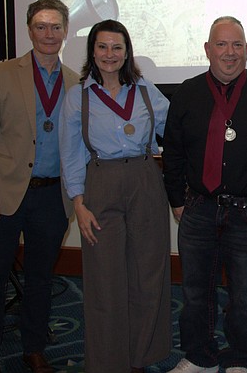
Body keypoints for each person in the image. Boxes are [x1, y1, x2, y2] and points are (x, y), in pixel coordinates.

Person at [163, 16, 247, 373]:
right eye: (221, 44)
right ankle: (198, 357)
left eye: (237, 45)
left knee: (246, 296)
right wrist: (176, 200)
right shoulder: (187, 92)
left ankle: (239, 360)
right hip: (199, 208)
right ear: (207, 49)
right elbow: (172, 151)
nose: (229, 53)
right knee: (194, 293)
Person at [0, 0, 77, 373]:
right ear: (29, 30)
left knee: (40, 279)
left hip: (52, 197)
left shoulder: (75, 82)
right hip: (4, 194)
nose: (48, 34)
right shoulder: (4, 73)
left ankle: (34, 348)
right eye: (40, 26)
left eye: (55, 27)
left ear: (66, 31)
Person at [59, 19, 171, 373]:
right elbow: (71, 154)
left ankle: (142, 356)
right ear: (92, 50)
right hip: (100, 185)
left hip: (144, 181)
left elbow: (179, 131)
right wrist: (78, 203)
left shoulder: (146, 91)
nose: (110, 54)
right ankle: (109, 362)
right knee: (105, 279)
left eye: (117, 47)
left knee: (147, 273)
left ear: (127, 52)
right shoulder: (77, 97)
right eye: (103, 47)